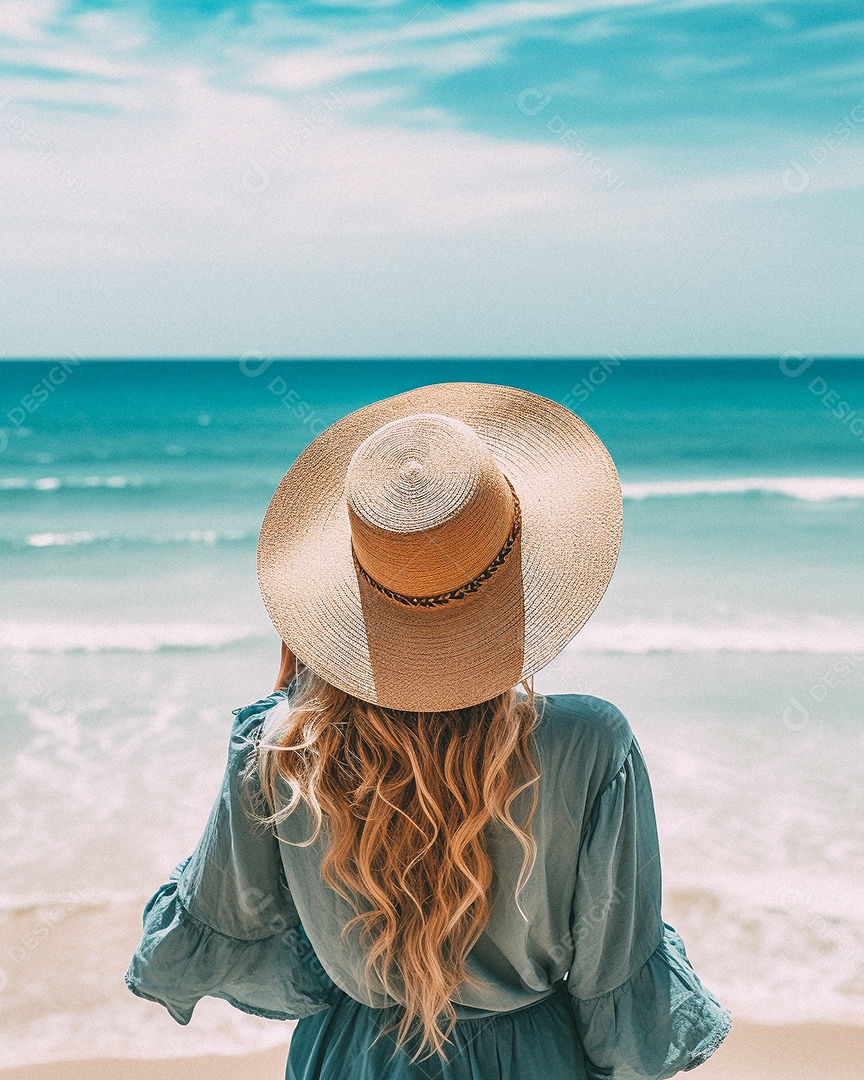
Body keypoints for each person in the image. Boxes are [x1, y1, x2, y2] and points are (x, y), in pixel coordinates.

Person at [126, 383, 731, 1079]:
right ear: (521, 565)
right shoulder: (591, 745)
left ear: (348, 590)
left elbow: (217, 930)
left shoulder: (280, 746)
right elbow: (614, 983)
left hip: (351, 1056)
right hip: (530, 1058)